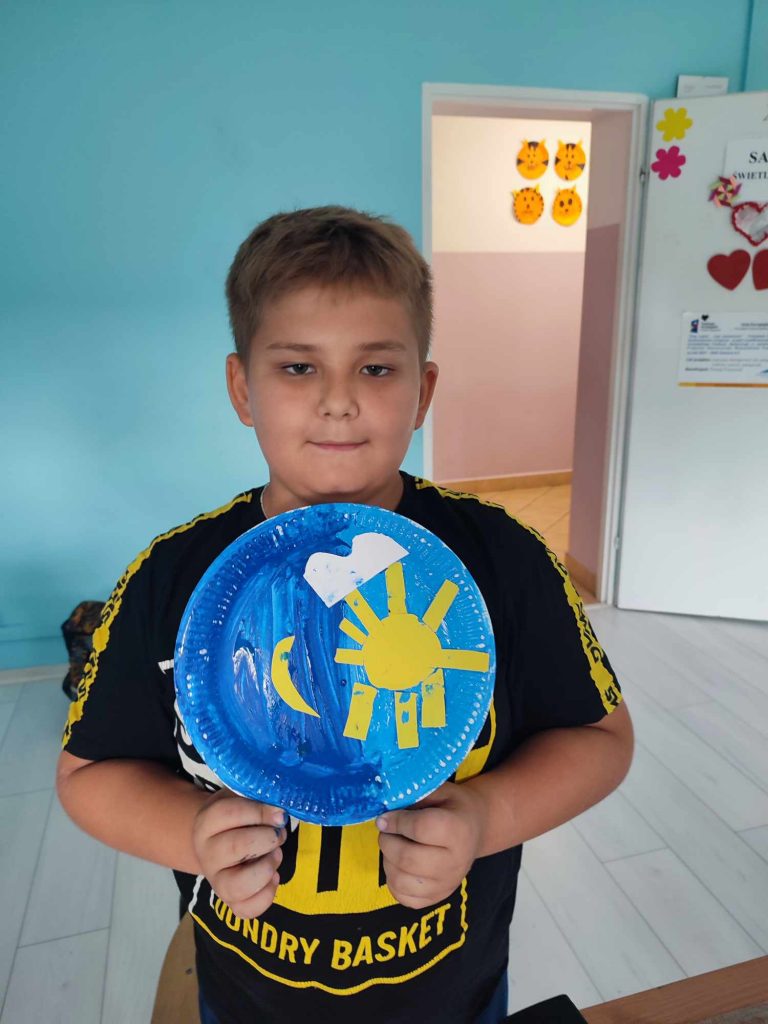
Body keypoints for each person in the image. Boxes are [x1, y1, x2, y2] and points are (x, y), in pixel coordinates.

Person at [56, 205, 633, 1024]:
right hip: (246, 1000)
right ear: (242, 388)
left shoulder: (503, 560)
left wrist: (485, 817)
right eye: (298, 367)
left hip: (456, 996)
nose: (338, 401)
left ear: (423, 391)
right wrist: (191, 831)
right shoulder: (171, 579)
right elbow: (88, 778)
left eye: (376, 368)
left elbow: (602, 741)